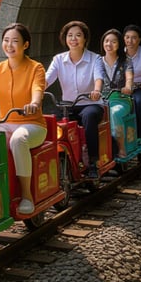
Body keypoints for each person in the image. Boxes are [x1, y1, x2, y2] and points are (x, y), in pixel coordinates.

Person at [0, 23, 47, 215]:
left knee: (19, 139)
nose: (9, 45)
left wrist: (34, 103)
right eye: (6, 40)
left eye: (15, 41)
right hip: (4, 123)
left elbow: (38, 89)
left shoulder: (36, 68)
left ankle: (26, 195)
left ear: (25, 45)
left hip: (32, 125)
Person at [45, 20, 104, 179]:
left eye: (78, 35)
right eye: (70, 35)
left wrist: (97, 90)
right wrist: (36, 91)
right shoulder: (58, 59)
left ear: (85, 39)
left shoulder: (95, 59)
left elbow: (99, 77)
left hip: (90, 104)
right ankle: (53, 163)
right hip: (68, 106)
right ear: (65, 39)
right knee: (49, 122)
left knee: (89, 116)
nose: (73, 39)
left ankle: (93, 163)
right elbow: (46, 79)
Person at [97, 28, 134, 161]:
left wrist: (128, 86)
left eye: (113, 41)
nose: (109, 44)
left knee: (114, 113)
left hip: (121, 99)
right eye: (106, 41)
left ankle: (121, 147)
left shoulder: (126, 61)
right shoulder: (97, 61)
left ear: (119, 44)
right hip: (101, 101)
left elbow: (129, 77)